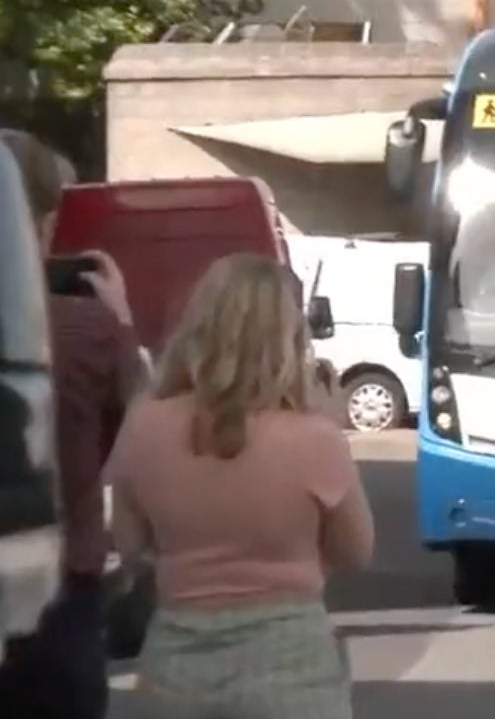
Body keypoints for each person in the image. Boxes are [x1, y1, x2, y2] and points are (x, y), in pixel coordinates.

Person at [106, 252, 374, 719]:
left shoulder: (145, 424)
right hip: (293, 671)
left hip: (176, 671)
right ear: (289, 337)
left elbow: (130, 544)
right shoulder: (315, 439)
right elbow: (356, 552)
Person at [0, 129, 146, 719]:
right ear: (46, 220)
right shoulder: (88, 329)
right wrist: (124, 321)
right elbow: (144, 430)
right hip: (60, 591)